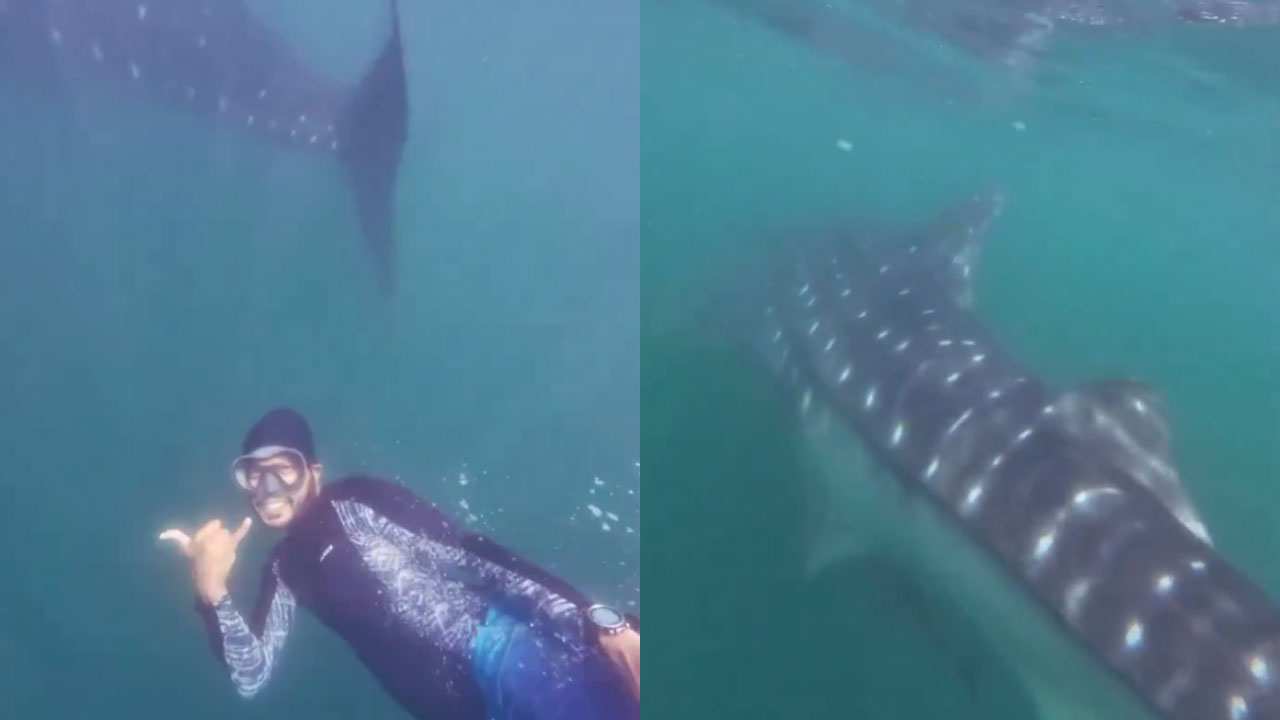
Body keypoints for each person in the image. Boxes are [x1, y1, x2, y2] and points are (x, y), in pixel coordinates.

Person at [160, 407, 640, 720]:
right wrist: (211, 593)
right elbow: (252, 675)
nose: (267, 488)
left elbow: (474, 554)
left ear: (313, 471)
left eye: (282, 469)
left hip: (509, 659)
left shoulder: (355, 501)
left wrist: (600, 622)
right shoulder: (283, 569)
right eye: (252, 474)